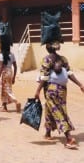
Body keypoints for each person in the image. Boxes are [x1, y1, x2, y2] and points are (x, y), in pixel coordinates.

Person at [34, 11, 84, 149]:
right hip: (62, 90)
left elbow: (44, 77)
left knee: (58, 111)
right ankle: (48, 132)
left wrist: (37, 91)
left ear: (47, 46)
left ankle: (69, 138)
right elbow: (69, 73)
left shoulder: (47, 59)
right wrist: (80, 84)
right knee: (51, 109)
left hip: (51, 90)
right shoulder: (63, 59)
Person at [0, 22, 21, 113]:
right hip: (10, 71)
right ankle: (4, 107)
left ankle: (15, 101)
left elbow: (1, 67)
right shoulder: (12, 54)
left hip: (4, 73)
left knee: (5, 89)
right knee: (6, 89)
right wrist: (14, 77)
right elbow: (15, 66)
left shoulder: (2, 55)